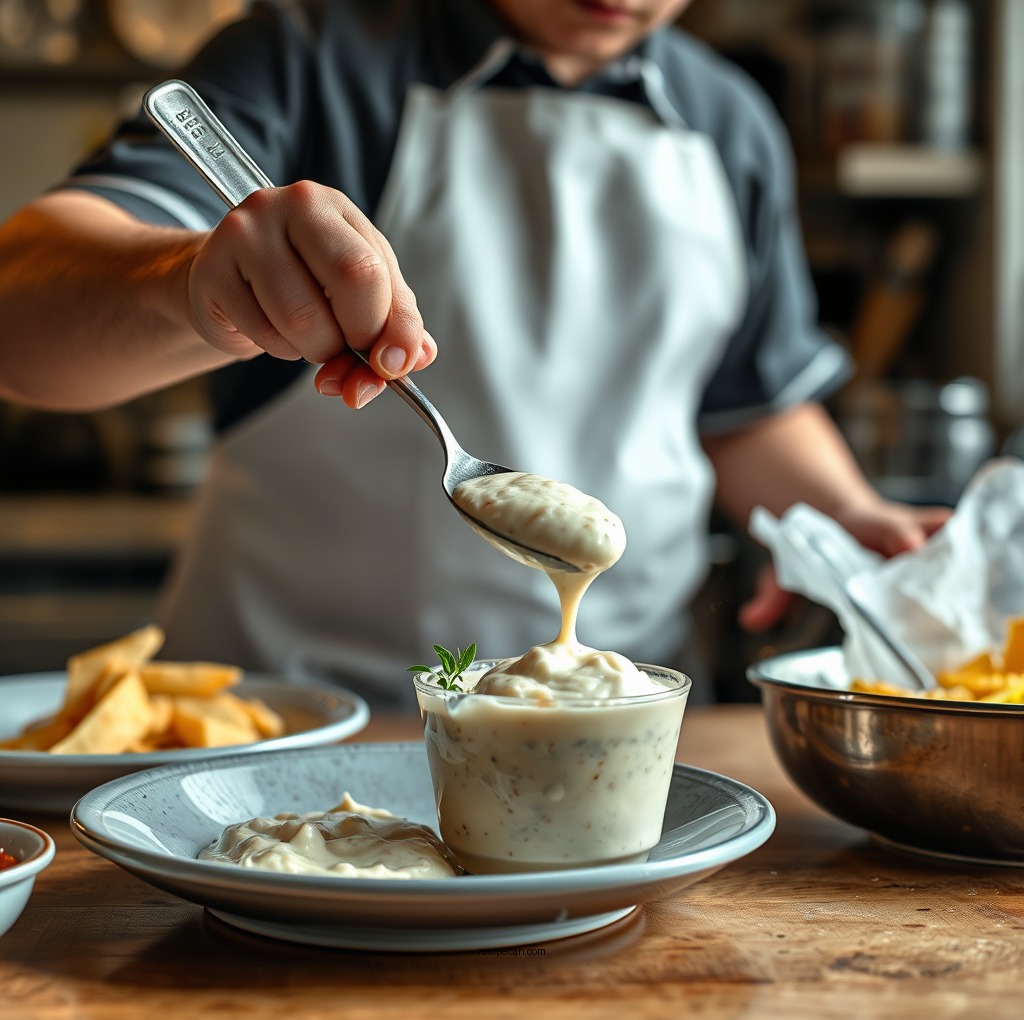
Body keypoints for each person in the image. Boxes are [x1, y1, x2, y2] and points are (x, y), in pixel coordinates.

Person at [0, 0, 948, 709]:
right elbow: (21, 316)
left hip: (612, 719)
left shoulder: (729, 121)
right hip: (291, 716)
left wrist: (843, 515)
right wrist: (190, 281)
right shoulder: (310, 55)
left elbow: (744, 408)